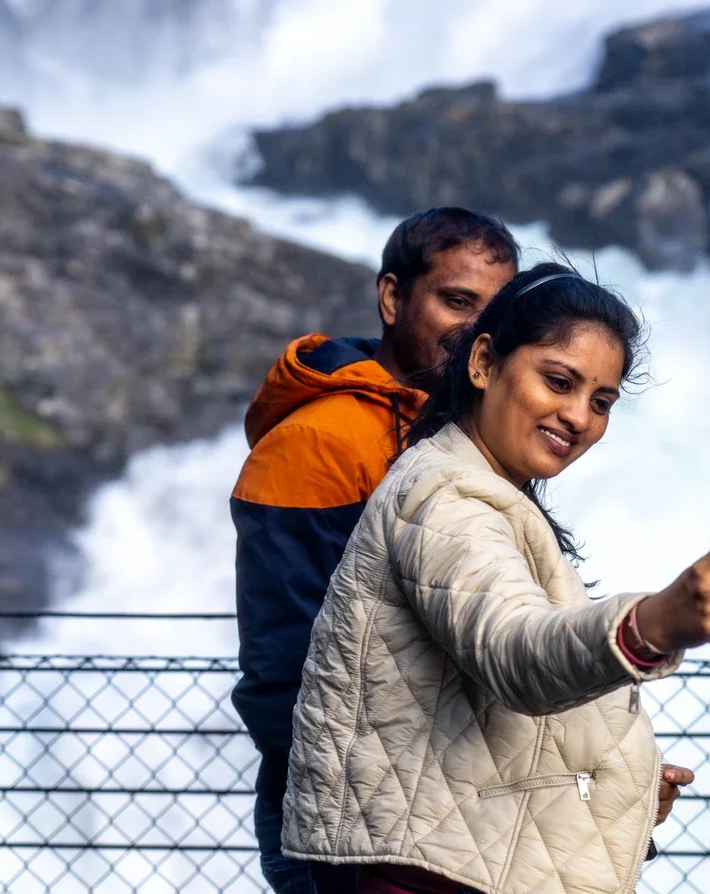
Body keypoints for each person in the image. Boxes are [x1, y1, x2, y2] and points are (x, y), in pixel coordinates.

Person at [281, 264, 710, 894]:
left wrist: (616, 782)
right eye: (559, 381)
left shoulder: (479, 488)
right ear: (483, 363)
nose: (580, 416)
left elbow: (479, 714)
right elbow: (513, 649)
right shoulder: (448, 499)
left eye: (602, 401)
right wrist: (656, 623)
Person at [231, 208, 520, 894]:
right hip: (350, 827)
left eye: (493, 314)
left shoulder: (465, 432)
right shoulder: (318, 443)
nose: (473, 330)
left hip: (451, 804)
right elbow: (285, 668)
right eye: (456, 301)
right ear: (393, 297)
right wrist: (370, 809)